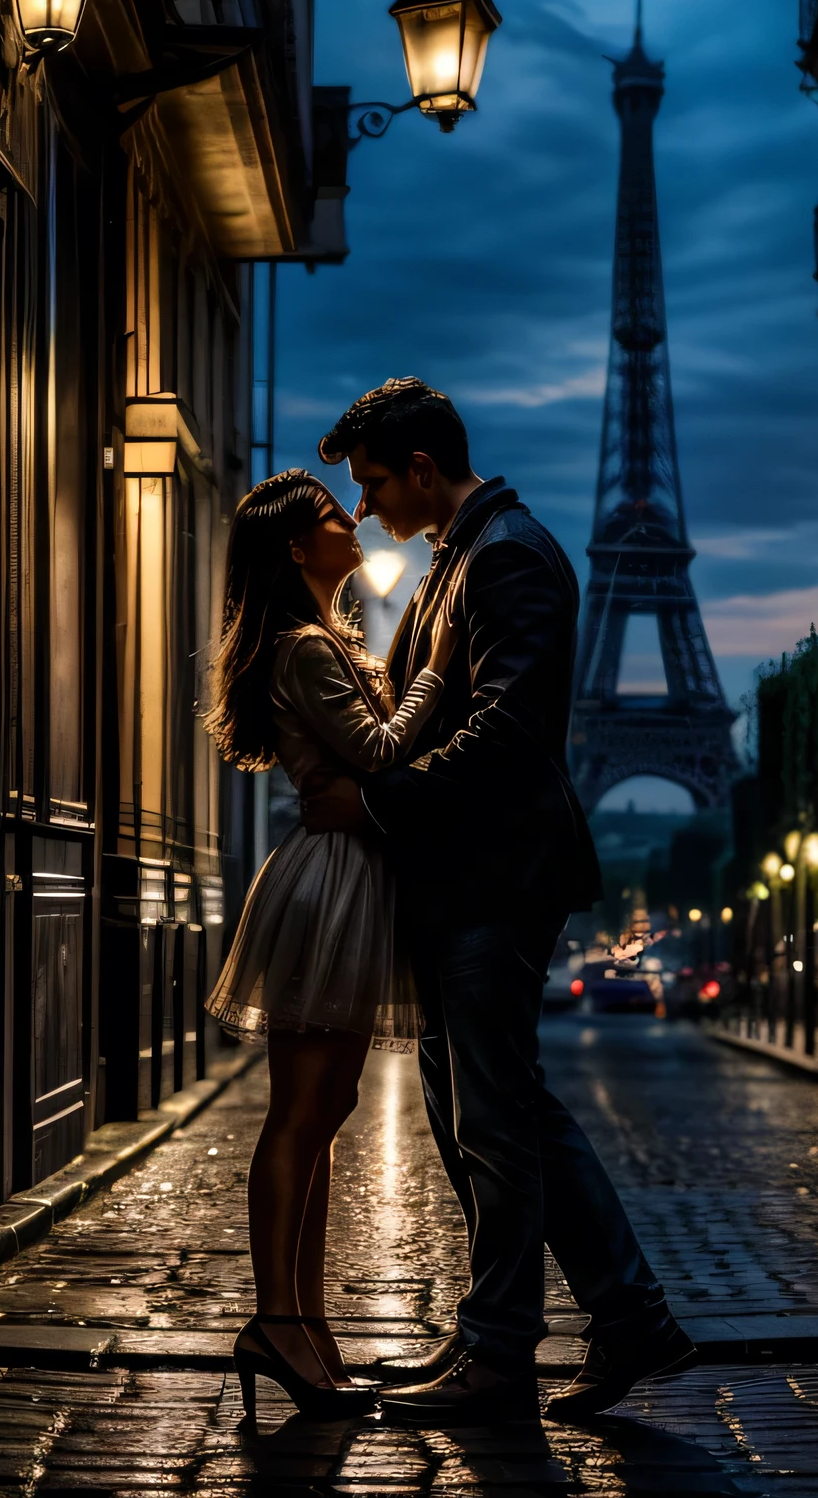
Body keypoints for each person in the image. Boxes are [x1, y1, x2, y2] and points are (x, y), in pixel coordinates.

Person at [304, 378, 696, 1426]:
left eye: (376, 482)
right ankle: (613, 1321)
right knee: (493, 1114)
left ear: (425, 468)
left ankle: (502, 1349)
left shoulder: (508, 555)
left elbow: (510, 740)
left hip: (494, 880)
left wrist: (376, 800)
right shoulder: (459, 559)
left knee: (495, 1120)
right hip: (461, 881)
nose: (368, 508)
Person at [204, 468, 454, 1420]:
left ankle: (303, 1325)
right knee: (302, 1116)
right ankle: (277, 1321)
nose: (351, 519)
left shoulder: (322, 639)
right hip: (333, 884)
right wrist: (435, 673)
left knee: (324, 1113)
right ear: (297, 551)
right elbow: (384, 752)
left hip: (345, 877)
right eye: (328, 516)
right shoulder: (306, 647)